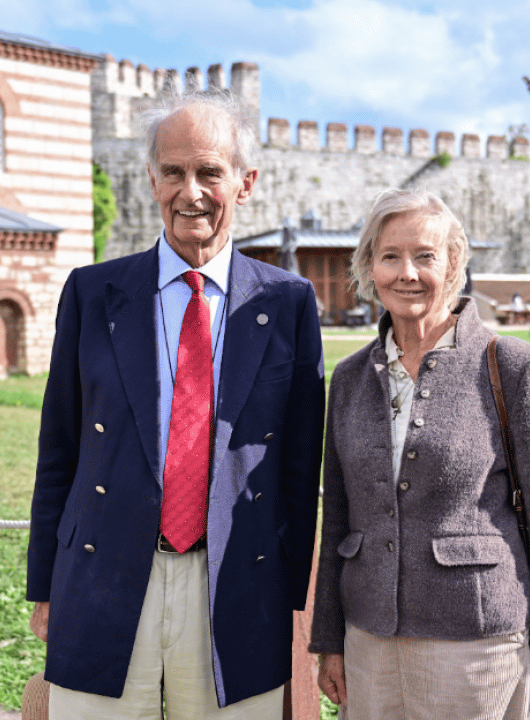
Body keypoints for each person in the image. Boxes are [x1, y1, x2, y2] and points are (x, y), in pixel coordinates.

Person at [26, 95, 326, 720]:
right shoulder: (91, 294)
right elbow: (59, 449)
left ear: (245, 184)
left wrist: (291, 601)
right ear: (152, 181)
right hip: (103, 571)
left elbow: (300, 466)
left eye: (210, 172)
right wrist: (45, 583)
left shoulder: (289, 303)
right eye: (173, 172)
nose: (191, 192)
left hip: (236, 581)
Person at [309, 188, 530, 720]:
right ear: (370, 266)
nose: (406, 272)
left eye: (425, 256)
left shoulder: (514, 366)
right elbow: (339, 516)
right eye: (390, 256)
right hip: (369, 642)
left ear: (454, 264)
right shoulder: (347, 379)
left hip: (478, 646)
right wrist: (331, 638)